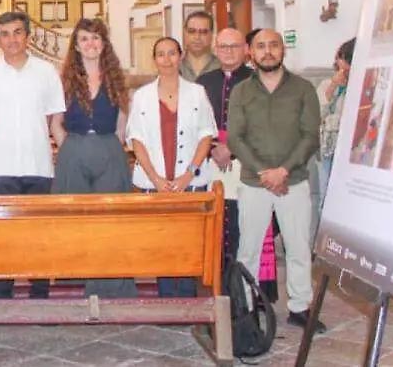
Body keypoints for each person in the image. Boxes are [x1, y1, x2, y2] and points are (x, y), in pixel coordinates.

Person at [228, 29, 325, 332]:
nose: (267, 51)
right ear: (250, 53)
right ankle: (246, 307)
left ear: (283, 50)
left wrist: (283, 170)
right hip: (254, 183)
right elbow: (235, 138)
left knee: (298, 247)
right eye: (261, 46)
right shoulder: (242, 91)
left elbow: (310, 136)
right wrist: (264, 173)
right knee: (249, 249)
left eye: (273, 45)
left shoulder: (303, 89)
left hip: (293, 181)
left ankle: (300, 306)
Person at [0, 11, 66, 299]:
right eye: (5, 34)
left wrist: (66, 156)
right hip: (1, 166)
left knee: (38, 234)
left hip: (38, 164)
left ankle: (40, 293)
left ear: (27, 35)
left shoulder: (46, 72)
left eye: (17, 32)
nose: (11, 39)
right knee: (2, 235)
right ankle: (2, 293)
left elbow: (55, 120)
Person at [51, 18, 137, 298]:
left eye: (96, 38)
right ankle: (79, 287)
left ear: (104, 43)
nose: (91, 44)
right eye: (85, 38)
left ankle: (112, 288)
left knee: (110, 222)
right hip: (74, 149)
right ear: (76, 45)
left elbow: (122, 121)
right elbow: (55, 122)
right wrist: (72, 148)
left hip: (108, 148)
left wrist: (111, 147)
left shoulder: (116, 78)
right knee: (77, 221)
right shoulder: (64, 80)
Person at [126, 37, 217, 297]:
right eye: (161, 54)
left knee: (188, 243)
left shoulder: (197, 92)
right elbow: (136, 139)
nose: (167, 59)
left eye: (172, 53)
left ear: (180, 56)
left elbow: (206, 135)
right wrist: (155, 179)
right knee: (161, 242)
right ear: (154, 60)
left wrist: (189, 174)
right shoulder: (142, 96)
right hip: (154, 182)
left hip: (189, 181)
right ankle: (166, 298)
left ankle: (188, 298)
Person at [196, 28, 255, 263]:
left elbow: (262, 123)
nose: (228, 52)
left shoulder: (257, 80)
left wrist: (232, 148)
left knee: (244, 226)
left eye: (234, 46)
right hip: (211, 163)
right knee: (217, 224)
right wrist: (213, 147)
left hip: (247, 163)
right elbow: (196, 123)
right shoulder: (203, 82)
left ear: (246, 50)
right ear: (215, 49)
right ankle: (218, 282)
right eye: (223, 46)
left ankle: (244, 291)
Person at [312, 38, 354, 242]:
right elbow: (315, 114)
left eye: (347, 60)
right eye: (341, 59)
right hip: (327, 149)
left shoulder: (363, 86)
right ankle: (326, 244)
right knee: (325, 198)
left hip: (351, 152)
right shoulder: (327, 84)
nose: (342, 65)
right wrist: (333, 89)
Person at [180, 11, 221, 82]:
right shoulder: (174, 67)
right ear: (184, 33)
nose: (197, 37)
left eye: (203, 32)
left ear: (212, 35)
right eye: (192, 31)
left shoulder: (222, 68)